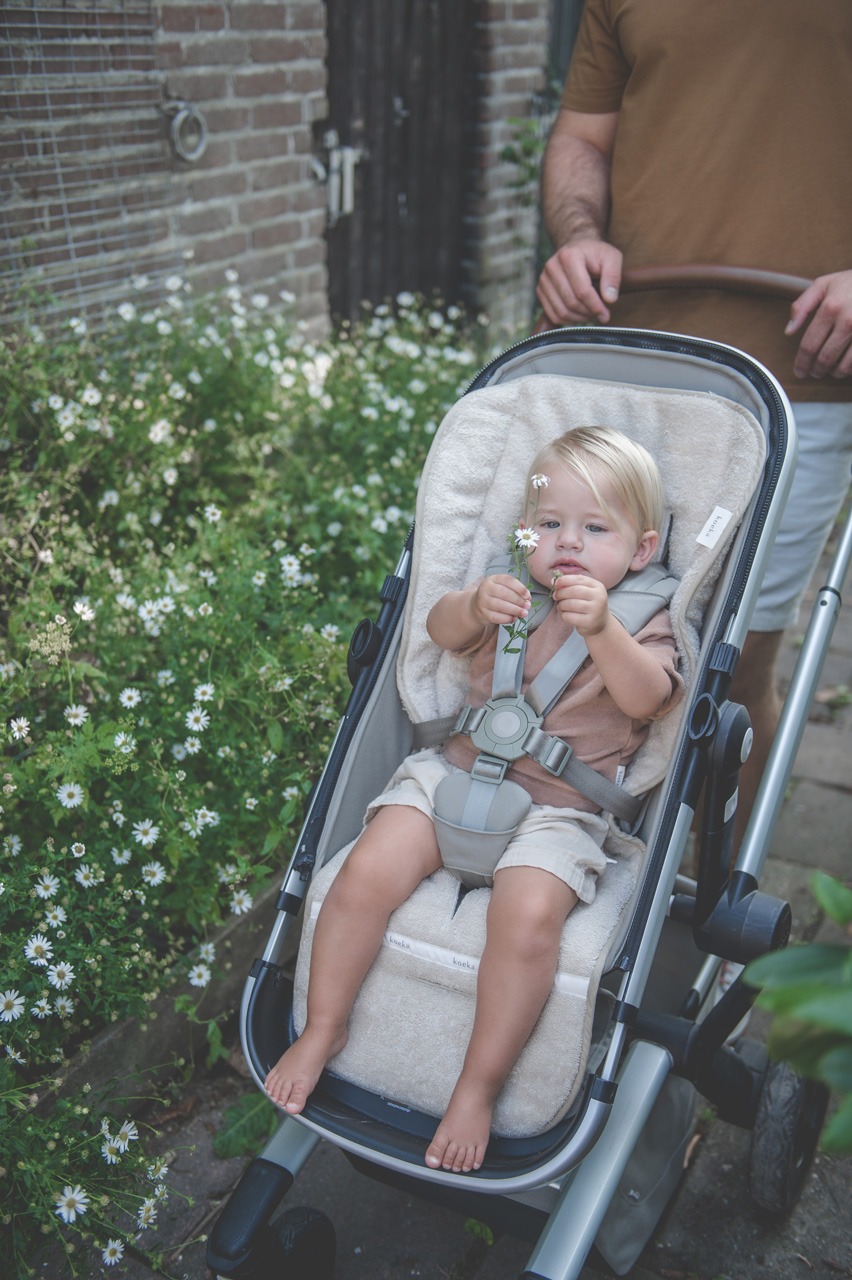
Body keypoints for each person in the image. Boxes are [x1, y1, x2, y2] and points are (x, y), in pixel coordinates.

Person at [264, 426, 684, 1174]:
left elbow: (650, 699)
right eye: (549, 524)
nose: (568, 544)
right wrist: (470, 605)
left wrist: (604, 628)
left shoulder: (643, 613)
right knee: (365, 872)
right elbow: (437, 633)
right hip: (455, 774)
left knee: (525, 920)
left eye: (595, 529)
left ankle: (477, 1088)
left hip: (562, 809)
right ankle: (323, 1026)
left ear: (641, 550)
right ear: (525, 531)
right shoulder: (506, 587)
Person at [536, 0, 852, 849]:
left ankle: (715, 888)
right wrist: (576, 236)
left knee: (735, 664)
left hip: (800, 379)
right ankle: (573, 839)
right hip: (622, 354)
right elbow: (584, 139)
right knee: (569, 620)